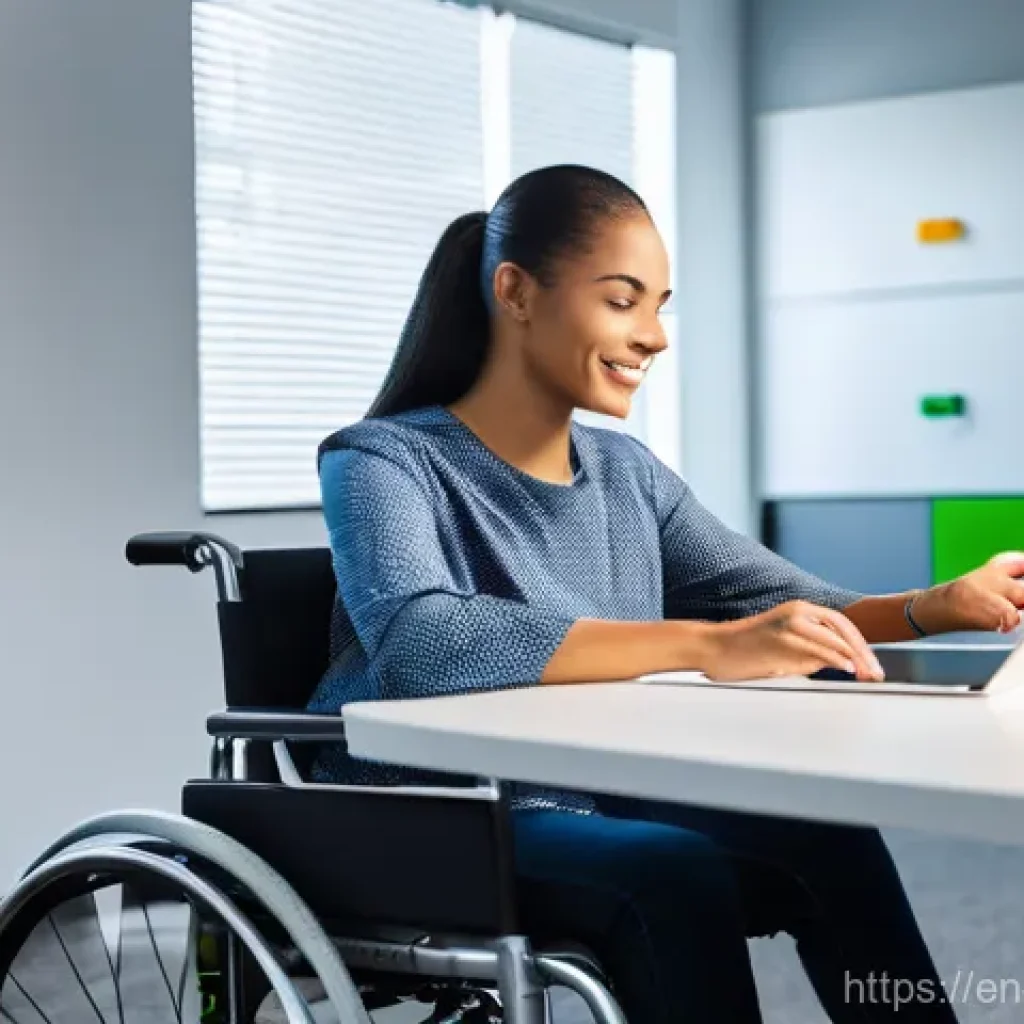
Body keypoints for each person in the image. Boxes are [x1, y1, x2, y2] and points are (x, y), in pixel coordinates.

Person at [307, 164, 1024, 1022]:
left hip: (589, 789)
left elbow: (786, 604)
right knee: (672, 872)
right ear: (517, 292)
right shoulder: (381, 458)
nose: (653, 337)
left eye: (659, 306)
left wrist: (938, 604)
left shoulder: (626, 473)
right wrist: (707, 644)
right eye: (622, 301)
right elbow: (422, 642)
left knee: (831, 841)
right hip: (434, 816)